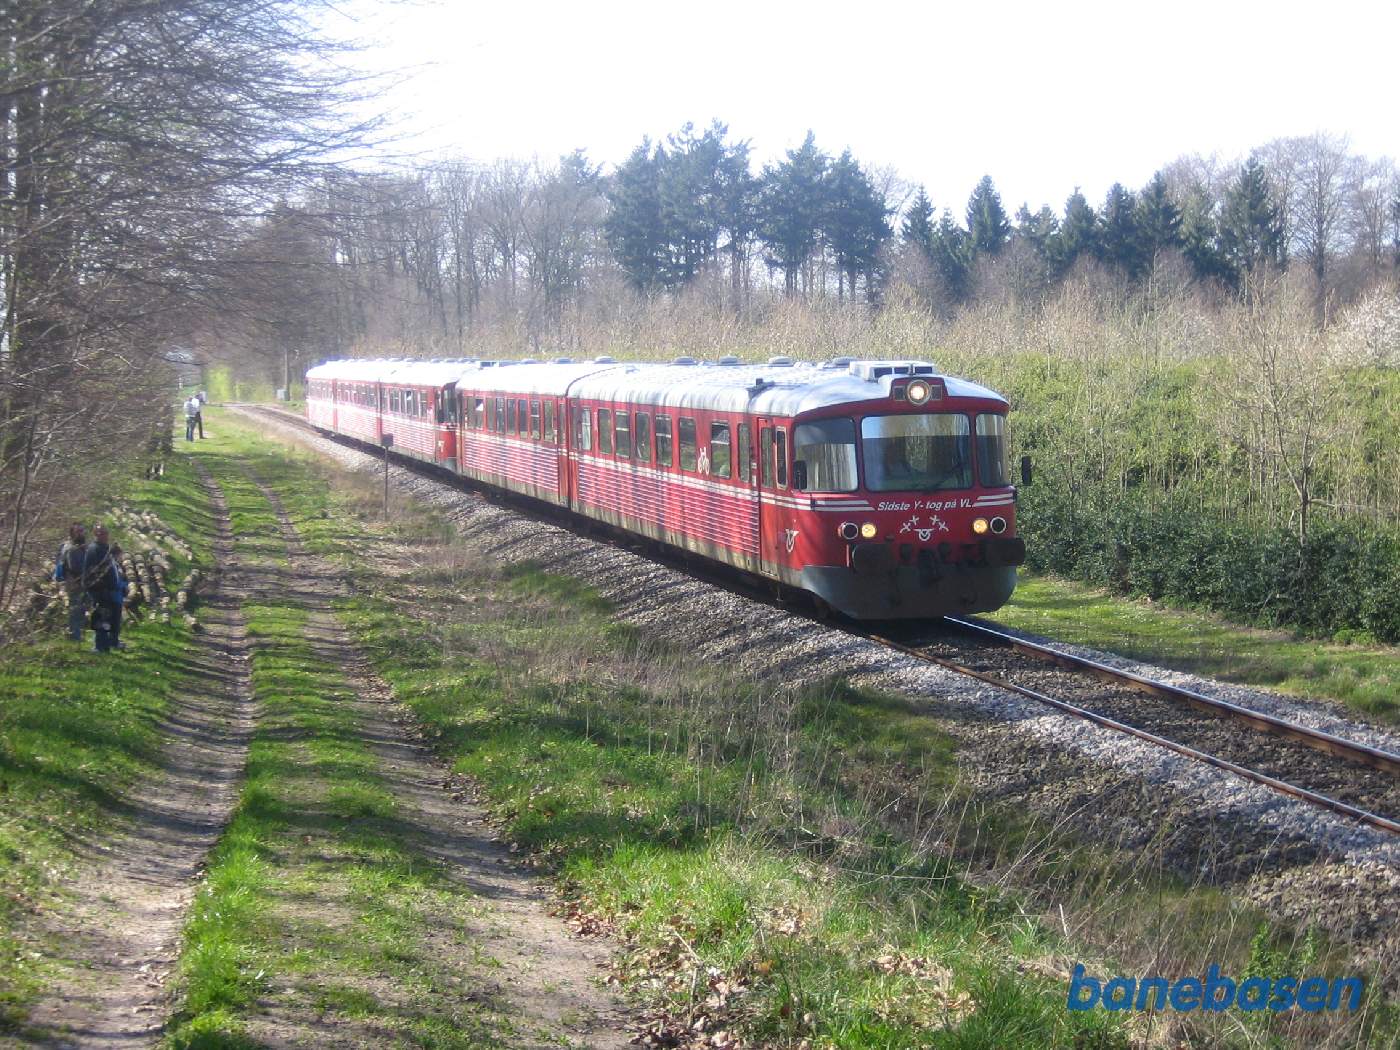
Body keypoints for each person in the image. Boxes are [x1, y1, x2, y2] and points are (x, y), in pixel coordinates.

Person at [82, 525, 124, 653]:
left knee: (109, 617)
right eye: (100, 533)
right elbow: (95, 571)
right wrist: (102, 588)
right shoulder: (94, 549)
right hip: (99, 589)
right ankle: (99, 646)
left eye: (105, 533)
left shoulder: (105, 548)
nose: (104, 536)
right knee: (101, 617)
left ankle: (108, 643)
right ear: (95, 534)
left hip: (110, 589)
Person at [53, 523, 89, 641]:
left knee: (80, 608)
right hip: (74, 583)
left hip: (80, 582)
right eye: (78, 531)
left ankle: (77, 634)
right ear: (72, 533)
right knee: (75, 609)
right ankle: (74, 635)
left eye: (82, 530)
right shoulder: (71, 549)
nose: (81, 533)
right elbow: (74, 568)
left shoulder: (80, 547)